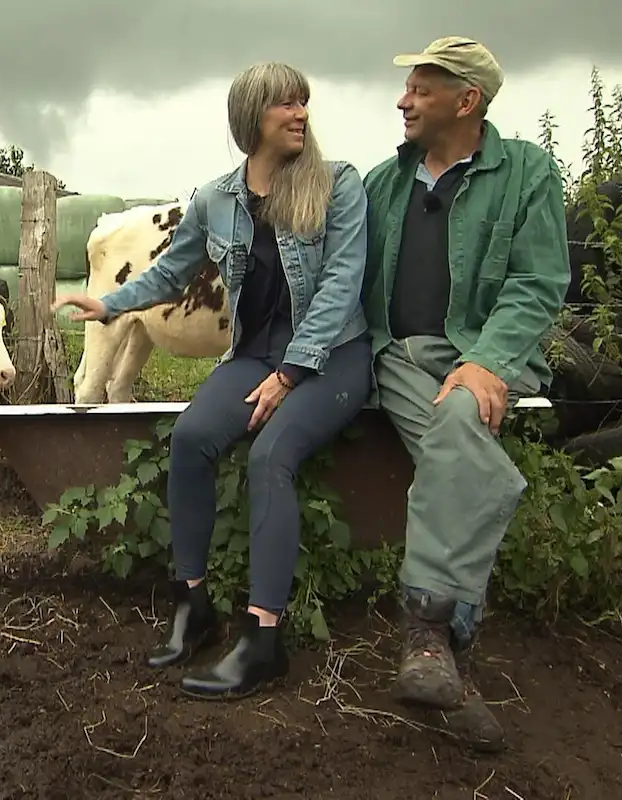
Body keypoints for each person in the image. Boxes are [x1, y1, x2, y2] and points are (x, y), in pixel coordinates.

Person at [53, 62, 372, 700]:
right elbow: (171, 272)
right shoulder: (217, 198)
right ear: (252, 116)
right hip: (256, 355)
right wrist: (111, 304)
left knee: (271, 455)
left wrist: (291, 373)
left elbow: (341, 285)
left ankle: (263, 639)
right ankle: (193, 606)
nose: (301, 113)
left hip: (332, 354)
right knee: (192, 437)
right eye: (287, 103)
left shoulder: (338, 184)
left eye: (305, 101)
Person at [359, 37, 570, 751]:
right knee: (472, 460)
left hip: (473, 355)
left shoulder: (529, 175)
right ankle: (456, 657)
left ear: (465, 100)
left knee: (458, 424)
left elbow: (537, 282)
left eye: (418, 89)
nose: (403, 101)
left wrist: (488, 362)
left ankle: (428, 637)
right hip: (394, 355)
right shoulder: (383, 183)